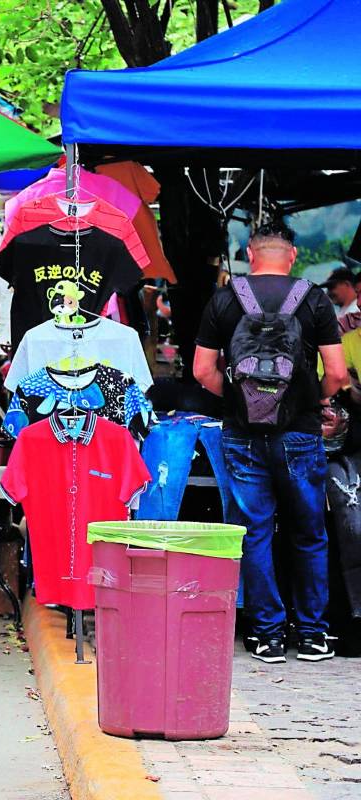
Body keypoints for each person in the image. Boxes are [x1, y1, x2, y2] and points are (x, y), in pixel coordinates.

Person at [193, 222, 348, 664]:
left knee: (254, 533)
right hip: (299, 433)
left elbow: (204, 370)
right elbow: (337, 373)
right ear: (293, 255)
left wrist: (242, 402)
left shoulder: (225, 298)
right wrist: (308, 400)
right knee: (309, 534)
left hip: (242, 435)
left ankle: (267, 637)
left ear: (250, 254)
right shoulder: (315, 299)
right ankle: (315, 635)